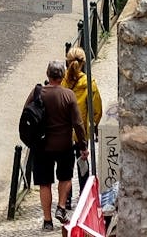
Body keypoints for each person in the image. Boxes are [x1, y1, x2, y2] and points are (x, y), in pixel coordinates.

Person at [24, 59, 87, 230]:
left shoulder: (37, 93)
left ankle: (47, 221)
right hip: (64, 145)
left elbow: (26, 114)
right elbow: (78, 123)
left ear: (48, 74)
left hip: (42, 146)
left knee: (45, 183)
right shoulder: (68, 95)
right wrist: (83, 145)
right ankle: (60, 206)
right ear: (63, 75)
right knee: (65, 178)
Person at [63, 46, 102, 206]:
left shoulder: (62, 82)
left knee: (65, 170)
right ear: (84, 63)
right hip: (81, 133)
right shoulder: (89, 83)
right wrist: (93, 126)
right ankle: (84, 200)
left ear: (67, 63)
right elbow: (96, 109)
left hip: (64, 133)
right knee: (83, 168)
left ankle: (66, 200)